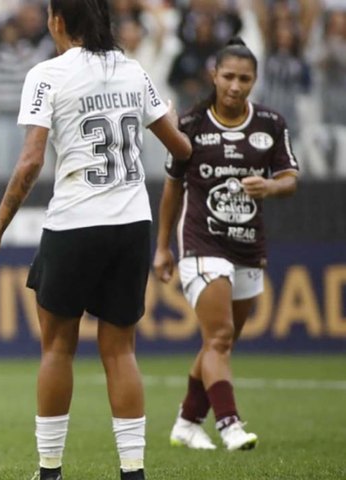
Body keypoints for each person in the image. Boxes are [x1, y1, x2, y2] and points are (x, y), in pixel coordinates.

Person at [0, 1, 192, 479]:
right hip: (132, 224)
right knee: (121, 350)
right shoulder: (134, 71)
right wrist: (171, 117)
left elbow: (29, 164)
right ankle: (133, 472)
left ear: (57, 21)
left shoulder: (47, 75)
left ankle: (50, 472)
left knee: (57, 348)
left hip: (74, 222)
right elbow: (182, 150)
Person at [153, 38, 298, 452]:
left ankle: (186, 421)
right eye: (229, 76)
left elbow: (290, 179)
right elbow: (173, 188)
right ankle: (230, 423)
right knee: (218, 337)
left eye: (245, 79)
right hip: (201, 242)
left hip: (249, 245)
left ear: (255, 80)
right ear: (213, 75)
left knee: (221, 341)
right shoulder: (192, 124)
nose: (236, 86)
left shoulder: (271, 124)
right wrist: (162, 246)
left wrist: (269, 186)